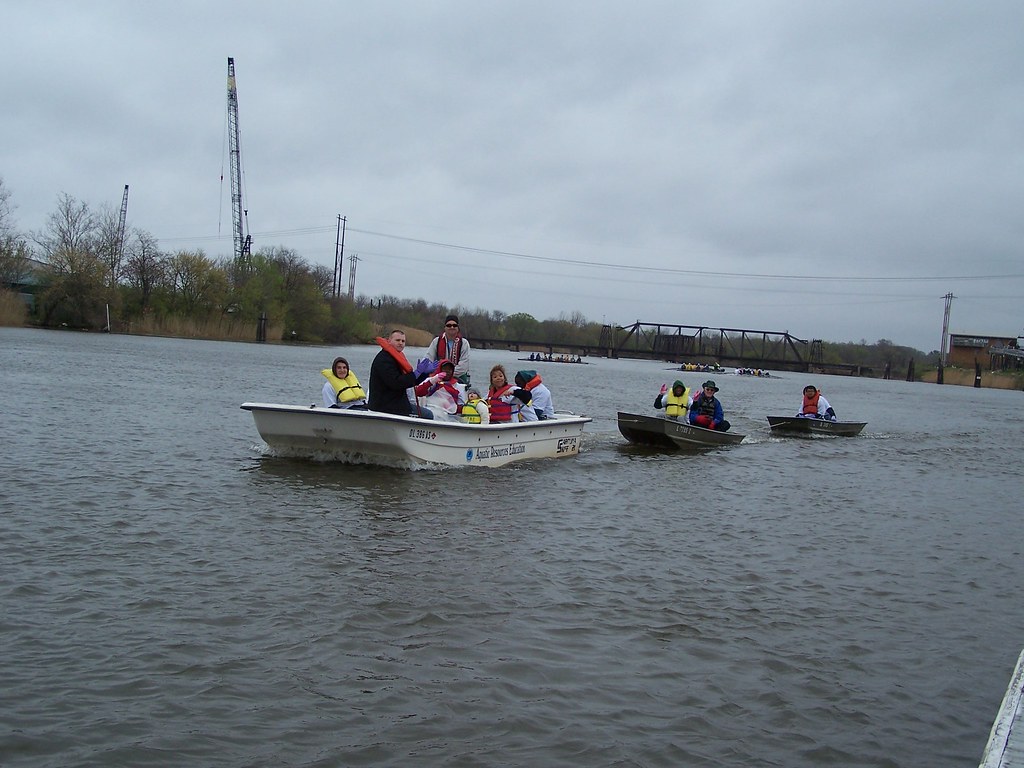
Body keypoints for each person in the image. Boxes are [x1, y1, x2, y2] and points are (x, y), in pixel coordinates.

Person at [368, 329, 438, 418]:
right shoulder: (384, 360)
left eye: (403, 341)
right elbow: (396, 383)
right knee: (427, 415)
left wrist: (424, 373)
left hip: (396, 404)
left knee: (428, 413)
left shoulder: (396, 358)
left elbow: (410, 381)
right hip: (384, 407)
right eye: (397, 340)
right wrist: (417, 373)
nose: (400, 343)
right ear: (389, 341)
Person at [425, 314, 471, 385]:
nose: (452, 327)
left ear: (458, 328)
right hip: (438, 377)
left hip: (458, 379)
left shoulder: (464, 343)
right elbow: (428, 359)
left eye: (454, 325)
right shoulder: (436, 341)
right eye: (449, 325)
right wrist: (436, 373)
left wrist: (448, 374)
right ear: (445, 328)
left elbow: (463, 366)